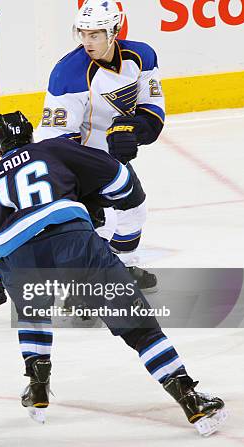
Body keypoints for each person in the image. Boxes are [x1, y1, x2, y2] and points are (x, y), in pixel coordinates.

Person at [0, 111, 226, 435]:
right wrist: (109, 198)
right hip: (73, 240)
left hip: (19, 256)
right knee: (138, 326)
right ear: (29, 137)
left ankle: (37, 387)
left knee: (33, 311)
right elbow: (118, 176)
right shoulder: (52, 149)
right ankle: (190, 397)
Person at [35, 0, 165, 290]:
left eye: (95, 34)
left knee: (134, 210)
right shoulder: (67, 74)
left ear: (114, 31)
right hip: (74, 162)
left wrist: (131, 131)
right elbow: (56, 139)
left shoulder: (142, 57)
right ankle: (82, 289)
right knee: (100, 223)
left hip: (110, 160)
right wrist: (79, 179)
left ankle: (124, 267)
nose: (87, 41)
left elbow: (153, 112)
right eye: (82, 33)